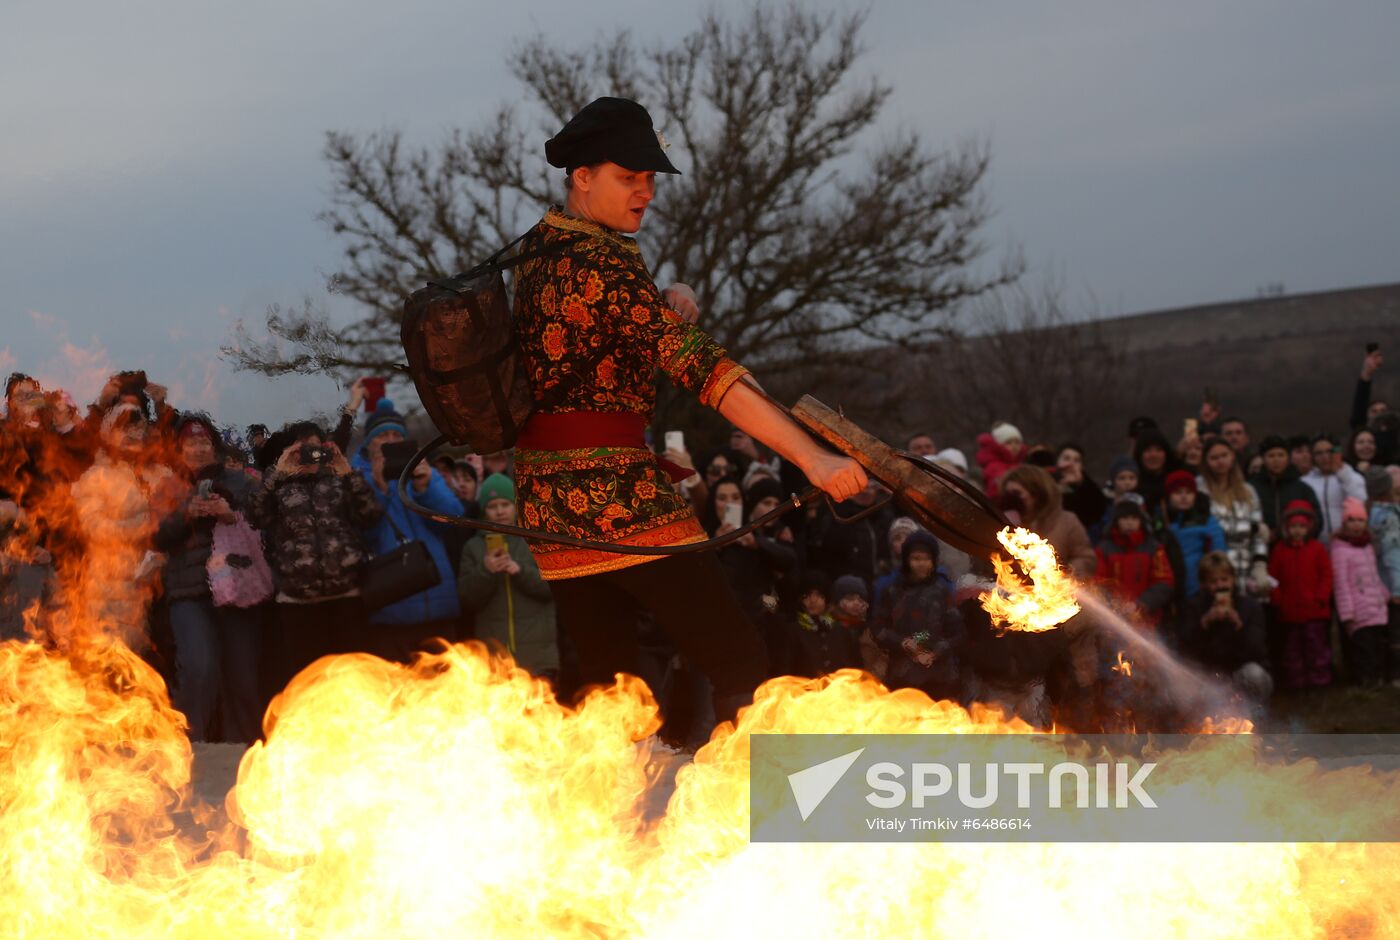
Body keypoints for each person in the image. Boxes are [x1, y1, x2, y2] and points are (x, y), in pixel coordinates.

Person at [510, 97, 866, 722]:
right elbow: (709, 373)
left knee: (607, 689)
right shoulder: (603, 262)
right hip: (616, 494)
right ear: (582, 177)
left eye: (649, 179)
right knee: (738, 658)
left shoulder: (539, 249)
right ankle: (759, 801)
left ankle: (616, 813)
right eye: (629, 178)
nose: (644, 193)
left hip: (547, 502)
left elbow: (591, 337)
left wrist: (666, 295)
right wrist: (811, 458)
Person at [152, 414, 262, 743]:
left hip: (238, 590)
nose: (199, 448)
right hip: (189, 593)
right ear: (178, 449)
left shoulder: (241, 481)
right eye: (190, 442)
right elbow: (155, 536)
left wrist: (231, 514)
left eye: (204, 442)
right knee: (199, 670)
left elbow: (263, 520)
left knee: (243, 679)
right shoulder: (168, 487)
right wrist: (187, 513)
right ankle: (190, 748)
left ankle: (246, 752)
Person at [248, 421, 381, 694]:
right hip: (298, 602)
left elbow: (370, 515)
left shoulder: (338, 480)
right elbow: (255, 516)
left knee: (353, 679)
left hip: (346, 596)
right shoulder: (279, 486)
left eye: (317, 449)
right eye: (303, 450)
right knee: (308, 684)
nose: (311, 456)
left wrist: (347, 472)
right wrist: (277, 473)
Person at [351, 400, 465, 662]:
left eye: (396, 435)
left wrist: (427, 487)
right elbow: (363, 534)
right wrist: (381, 490)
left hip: (438, 601)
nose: (390, 440)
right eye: (382, 435)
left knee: (448, 692)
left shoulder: (422, 472)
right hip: (392, 606)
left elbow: (453, 519)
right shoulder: (357, 479)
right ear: (369, 443)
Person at [68, 403, 174, 654]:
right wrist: (142, 526)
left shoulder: (162, 475)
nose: (131, 434)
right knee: (119, 664)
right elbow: (93, 527)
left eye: (137, 427)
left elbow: (179, 523)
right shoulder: (96, 477)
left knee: (167, 669)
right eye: (123, 428)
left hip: (165, 584)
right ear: (109, 434)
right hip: (113, 586)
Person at [457, 474, 559, 680]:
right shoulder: (473, 547)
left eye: (505, 504)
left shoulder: (536, 540)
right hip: (494, 662)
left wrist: (519, 571)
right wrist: (486, 571)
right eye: (492, 506)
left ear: (516, 506)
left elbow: (553, 590)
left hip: (538, 658)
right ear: (484, 511)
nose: (500, 511)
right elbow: (468, 599)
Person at [713, 477, 799, 678]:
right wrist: (715, 544)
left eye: (735, 498)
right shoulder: (705, 532)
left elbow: (790, 561)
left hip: (760, 626)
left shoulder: (757, 536)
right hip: (719, 631)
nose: (730, 504)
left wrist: (756, 543)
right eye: (723, 498)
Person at [870, 532, 964, 702]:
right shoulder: (892, 591)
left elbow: (957, 633)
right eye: (916, 558)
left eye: (926, 559)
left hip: (940, 679)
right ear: (907, 560)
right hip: (902, 677)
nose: (921, 564)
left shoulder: (942, 591)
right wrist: (903, 642)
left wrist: (935, 653)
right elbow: (878, 629)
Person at [1177, 552, 1273, 709]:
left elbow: (1257, 652)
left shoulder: (1250, 607)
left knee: (1254, 674)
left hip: (1240, 674)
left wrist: (1238, 625)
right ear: (1204, 584)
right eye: (1214, 582)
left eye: (1224, 579)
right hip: (1208, 677)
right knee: (1182, 686)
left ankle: (1256, 720)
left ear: (1233, 580)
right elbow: (1185, 651)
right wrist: (1204, 624)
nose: (1220, 585)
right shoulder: (1193, 607)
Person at [1267, 500, 1334, 690]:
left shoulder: (1317, 549)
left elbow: (1326, 575)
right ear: (1287, 528)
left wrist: (1321, 598)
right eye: (1294, 526)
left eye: (1302, 526)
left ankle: (1319, 681)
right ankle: (1297, 683)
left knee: (1317, 649)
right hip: (1289, 613)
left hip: (1314, 611)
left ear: (1309, 528)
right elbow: (1273, 577)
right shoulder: (1280, 551)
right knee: (1292, 650)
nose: (1297, 530)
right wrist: (1278, 599)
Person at [1330, 498, 1392, 687]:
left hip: (1376, 607)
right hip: (1358, 610)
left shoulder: (1367, 547)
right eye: (1351, 520)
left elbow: (1373, 574)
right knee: (1362, 649)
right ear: (1344, 523)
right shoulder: (1340, 551)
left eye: (1360, 520)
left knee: (1378, 646)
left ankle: (1378, 678)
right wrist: (1347, 613)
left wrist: (1384, 594)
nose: (1356, 525)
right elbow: (1341, 584)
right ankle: (1365, 681)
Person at [1198, 437, 1270, 595]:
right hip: (1214, 571)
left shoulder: (1248, 491)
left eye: (1224, 455)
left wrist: (1260, 566)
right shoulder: (1199, 490)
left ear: (1232, 456)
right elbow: (1210, 530)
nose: (1220, 461)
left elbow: (1260, 537)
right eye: (1214, 458)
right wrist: (1252, 528)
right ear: (1206, 461)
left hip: (1245, 567)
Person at [999, 465, 1096, 579]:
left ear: (1036, 494)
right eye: (1007, 493)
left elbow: (1086, 559)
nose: (1011, 499)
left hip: (1055, 592)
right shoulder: (1005, 524)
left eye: (1017, 493)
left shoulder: (1067, 521)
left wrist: (1060, 575)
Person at [1094, 496, 1174, 633]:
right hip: (1113, 621)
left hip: (1148, 620)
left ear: (1141, 521)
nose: (1130, 523)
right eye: (1124, 518)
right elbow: (1098, 581)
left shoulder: (1154, 548)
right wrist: (1115, 606)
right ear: (1116, 522)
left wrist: (1141, 604)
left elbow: (1164, 581)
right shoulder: (1104, 549)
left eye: (1134, 518)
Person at [1159, 471, 1228, 604]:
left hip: (1198, 588)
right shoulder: (1160, 521)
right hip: (1168, 589)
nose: (1184, 497)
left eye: (1189, 492)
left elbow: (1218, 556)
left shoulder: (1206, 521)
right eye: (1178, 492)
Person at [1250, 434, 1322, 540]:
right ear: (1263, 459)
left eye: (1281, 455)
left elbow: (1316, 521)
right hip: (1260, 548)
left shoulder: (1302, 489)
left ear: (1288, 458)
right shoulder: (1251, 488)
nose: (1276, 460)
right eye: (1271, 456)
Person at [793, 573, 863, 677]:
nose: (813, 600)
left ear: (826, 599)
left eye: (818, 595)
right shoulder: (794, 632)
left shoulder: (841, 631)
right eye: (806, 596)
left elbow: (855, 668)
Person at [1367, 467, 1400, 685]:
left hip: (1381, 582)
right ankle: (1396, 675)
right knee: (1396, 633)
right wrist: (1397, 587)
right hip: (1393, 583)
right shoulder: (1388, 516)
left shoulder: (1372, 513)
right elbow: (1392, 553)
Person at [1302, 433, 1367, 540]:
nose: (1325, 457)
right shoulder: (1305, 481)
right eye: (1319, 453)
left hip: (1347, 542)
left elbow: (1360, 501)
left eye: (1329, 452)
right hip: (1317, 542)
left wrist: (1342, 474)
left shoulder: (1351, 476)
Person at [1131, 427, 1183, 519]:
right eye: (1147, 450)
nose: (1153, 455)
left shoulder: (1178, 480)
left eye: (1159, 449)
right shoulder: (1132, 484)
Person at [1056, 442, 1108, 533]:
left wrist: (1082, 484)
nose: (1071, 464)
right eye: (1066, 458)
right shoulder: (1046, 480)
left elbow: (1097, 511)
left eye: (1076, 460)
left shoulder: (1088, 488)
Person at [1093, 455, 1140, 541]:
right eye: (1122, 478)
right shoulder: (1106, 502)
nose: (1127, 482)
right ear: (1113, 480)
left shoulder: (1141, 501)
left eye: (1131, 478)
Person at [975, 421, 1026, 498]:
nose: (1014, 446)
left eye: (1017, 442)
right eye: (1008, 443)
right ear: (998, 446)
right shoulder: (993, 466)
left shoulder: (1022, 464)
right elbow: (995, 491)